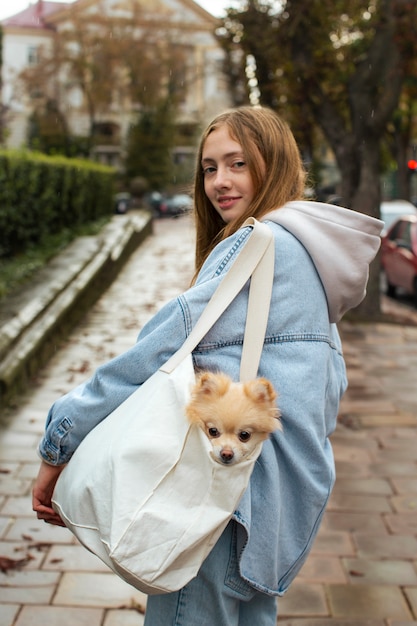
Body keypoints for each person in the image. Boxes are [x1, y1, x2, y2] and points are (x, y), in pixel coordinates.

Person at [33, 106, 383, 625]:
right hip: (276, 514)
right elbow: (327, 390)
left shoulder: (255, 244)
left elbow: (155, 351)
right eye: (209, 167)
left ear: (276, 164)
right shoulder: (315, 261)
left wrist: (60, 439)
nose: (220, 182)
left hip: (219, 506)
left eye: (238, 164)